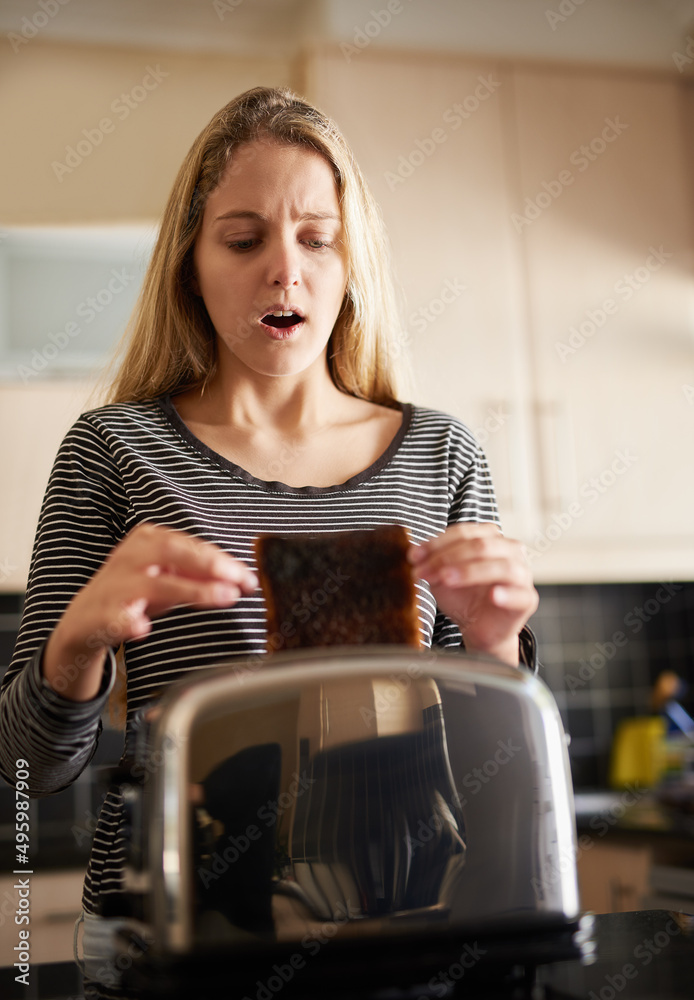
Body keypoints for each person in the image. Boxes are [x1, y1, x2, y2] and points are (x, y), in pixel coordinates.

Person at [0, 85, 538, 973]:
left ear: (351, 262)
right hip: (173, 949)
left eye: (317, 239)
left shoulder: (443, 454)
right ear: (191, 264)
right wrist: (80, 640)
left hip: (405, 942)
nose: (284, 271)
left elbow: (498, 785)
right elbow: (25, 779)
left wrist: (498, 645)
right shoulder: (114, 450)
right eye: (244, 240)